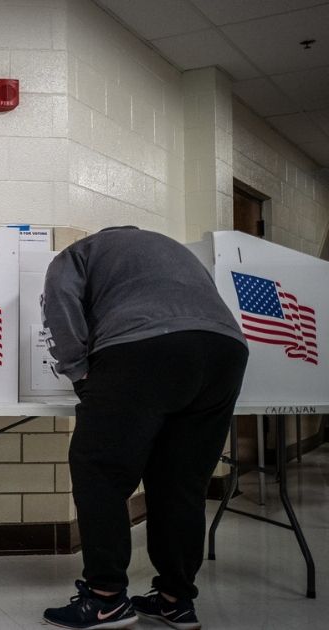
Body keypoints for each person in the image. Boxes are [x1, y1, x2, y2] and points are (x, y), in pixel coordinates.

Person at [40, 227, 248, 630]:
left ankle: (105, 600)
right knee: (181, 483)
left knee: (99, 473)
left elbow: (60, 303)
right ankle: (176, 601)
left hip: (143, 347)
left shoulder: (81, 250)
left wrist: (80, 373)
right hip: (225, 352)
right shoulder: (174, 249)